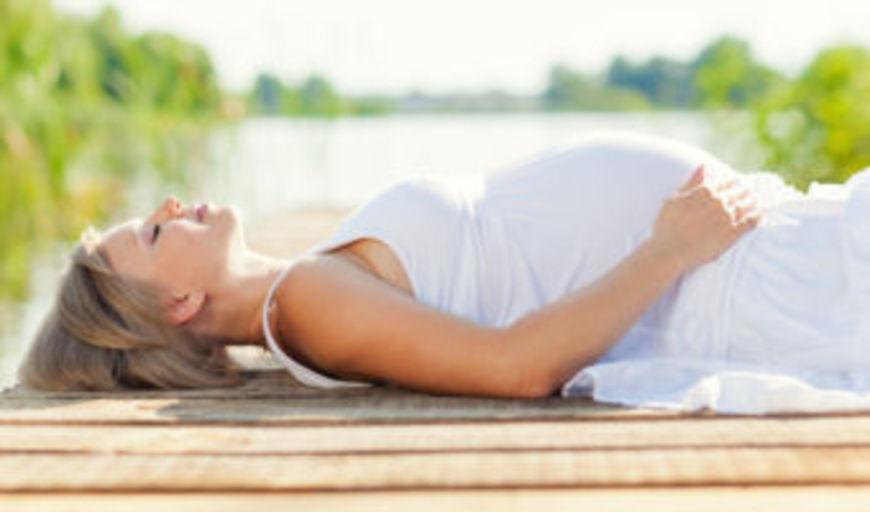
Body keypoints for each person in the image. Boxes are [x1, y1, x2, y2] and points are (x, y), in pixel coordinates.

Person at [18, 131, 870, 414]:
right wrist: (673, 247)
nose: (171, 205)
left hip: (769, 252)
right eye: (154, 232)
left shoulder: (313, 282)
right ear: (178, 303)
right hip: (746, 284)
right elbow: (516, 366)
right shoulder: (306, 304)